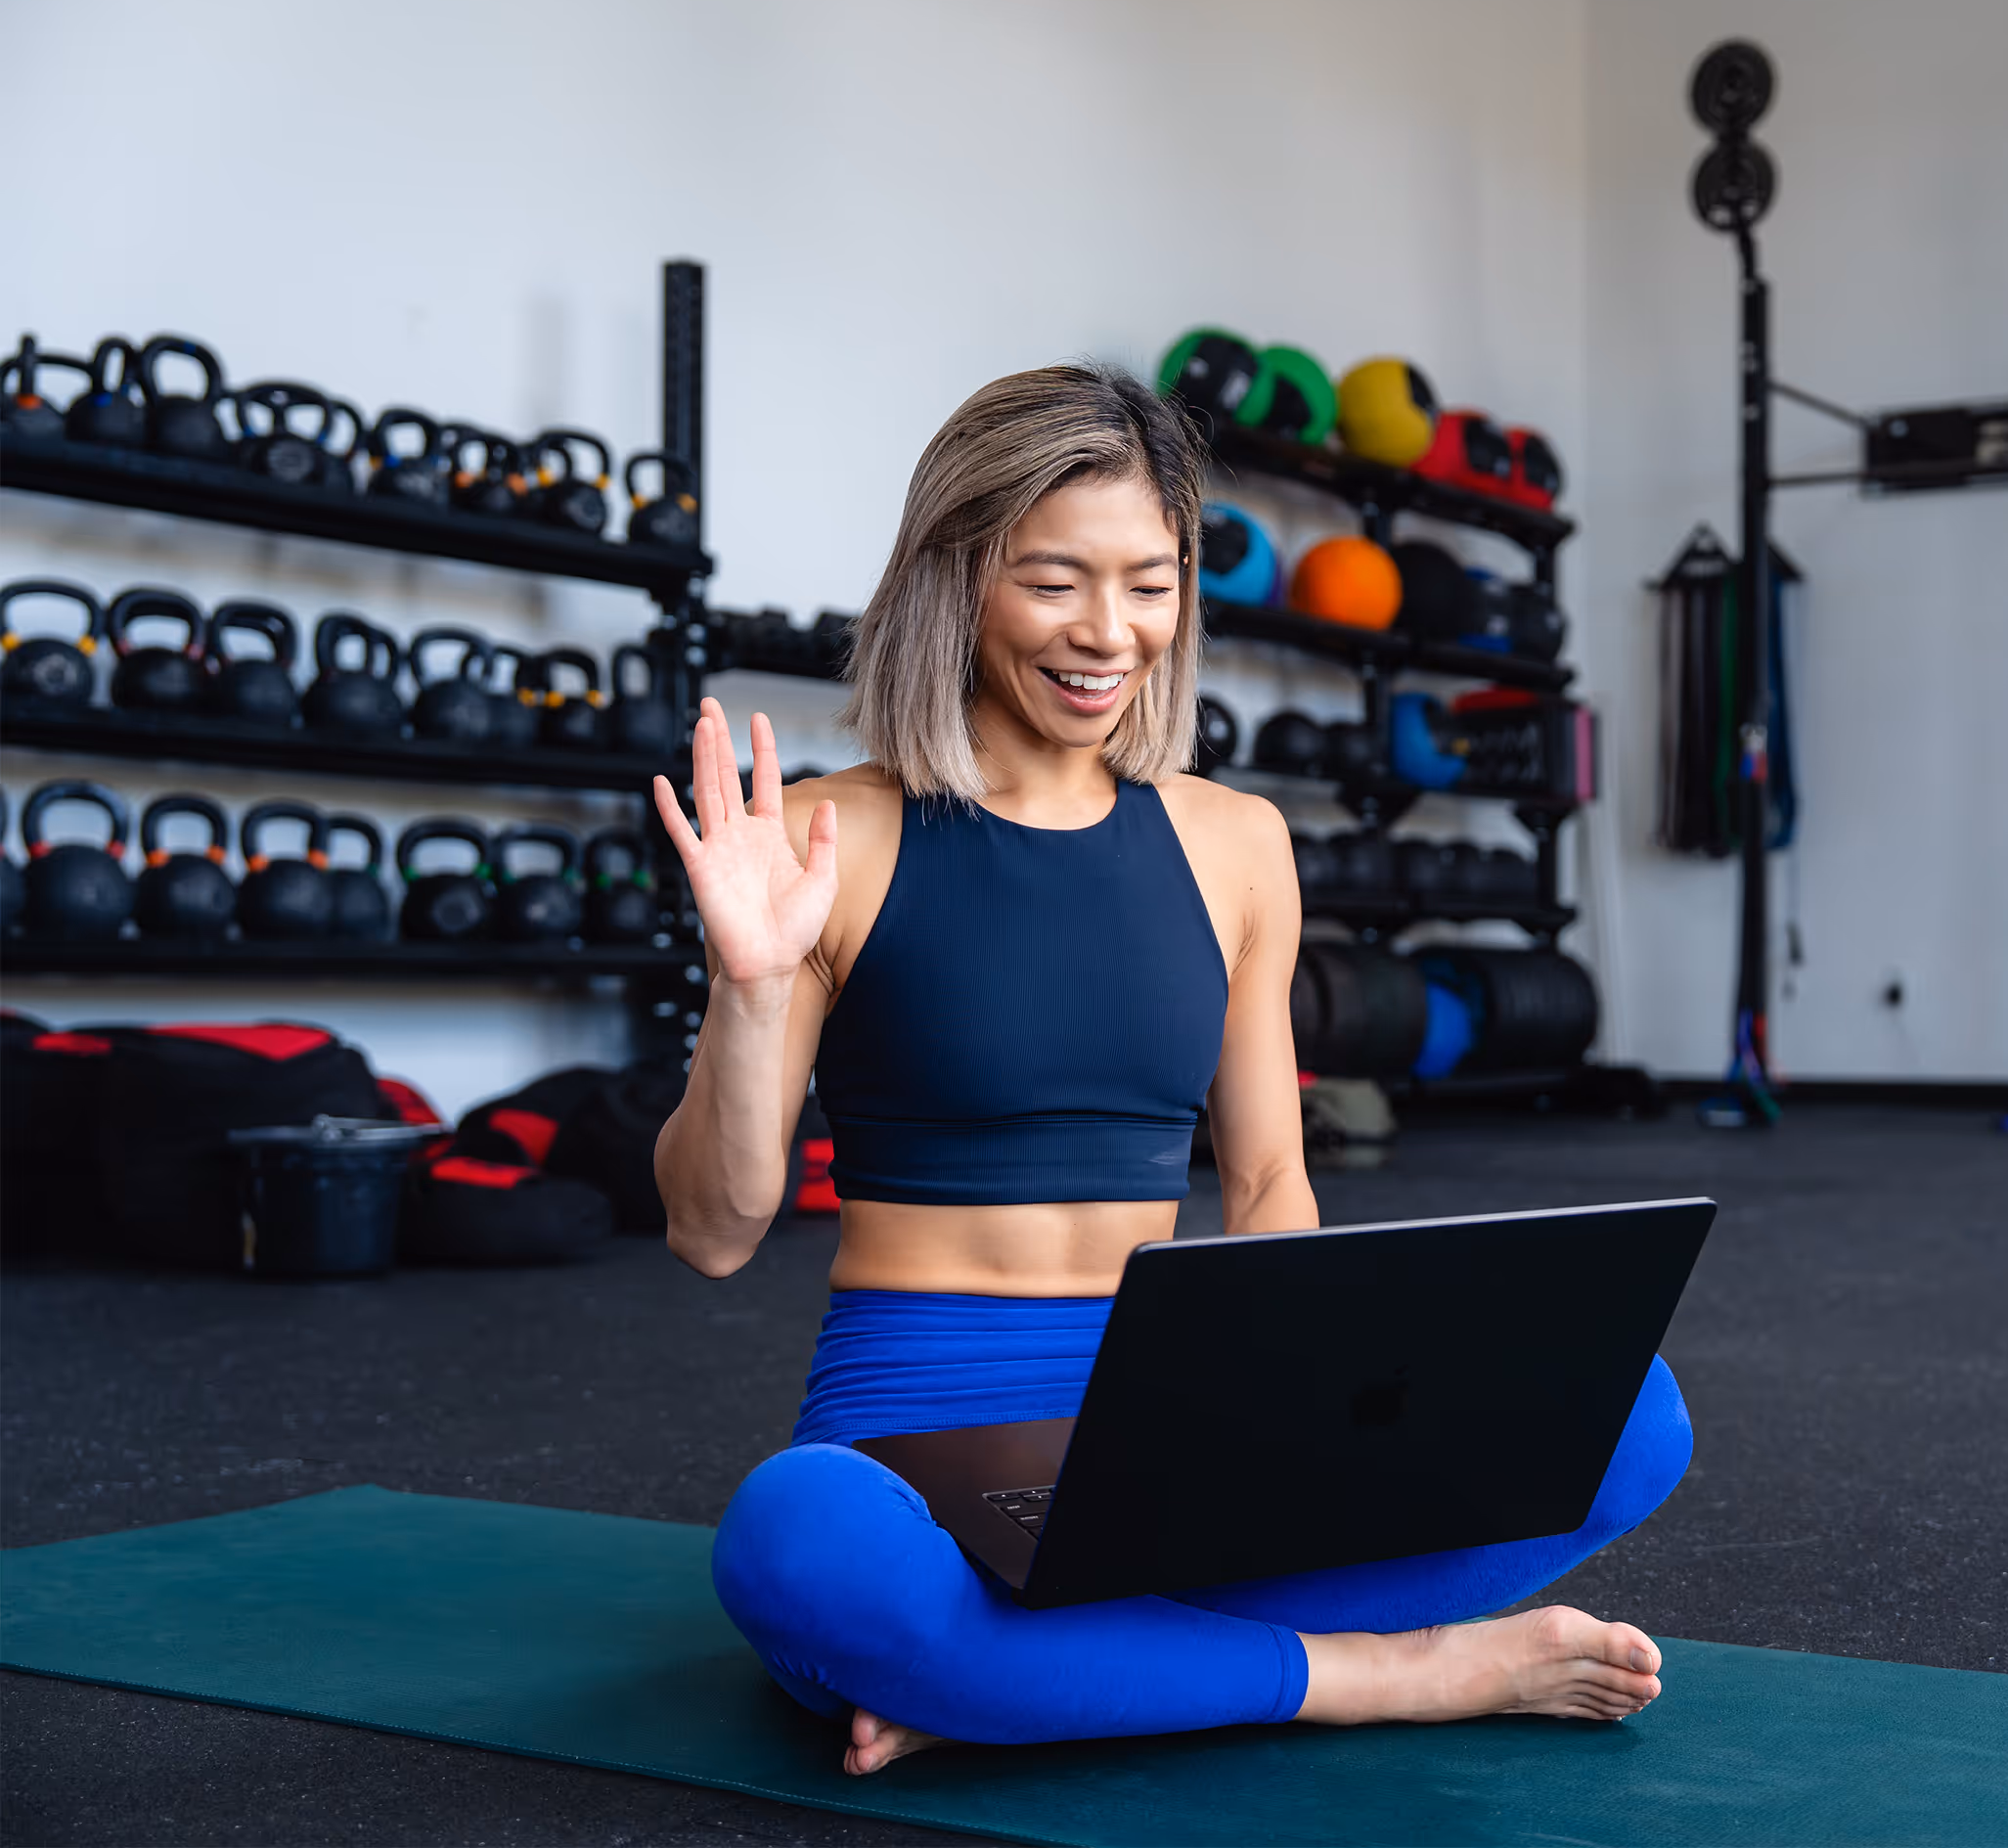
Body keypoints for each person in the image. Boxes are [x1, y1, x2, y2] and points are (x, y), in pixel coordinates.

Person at [650, 363, 1690, 1772]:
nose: (1109, 633)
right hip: (915, 1441)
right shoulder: (835, 838)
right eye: (1054, 581)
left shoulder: (1233, 841)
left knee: (1626, 1405)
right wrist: (750, 987)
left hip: (1174, 1427)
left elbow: (1269, 1184)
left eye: (1150, 584)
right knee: (798, 1544)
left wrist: (1326, 1423)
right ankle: (1380, 1675)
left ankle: (1016, 1678)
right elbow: (714, 1234)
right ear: (958, 578)